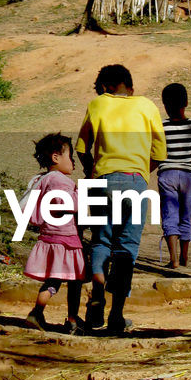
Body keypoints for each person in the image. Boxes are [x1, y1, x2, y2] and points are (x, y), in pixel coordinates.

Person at [76, 64, 167, 334]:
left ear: (104, 87)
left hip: (103, 179)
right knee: (126, 248)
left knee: (102, 241)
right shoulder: (147, 106)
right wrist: (139, 175)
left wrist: (92, 170)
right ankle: (116, 315)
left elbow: (82, 148)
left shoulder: (97, 104)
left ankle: (96, 299)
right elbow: (160, 154)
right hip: (135, 182)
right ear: (130, 86)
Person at [23, 133, 87, 334]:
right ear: (55, 158)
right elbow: (67, 204)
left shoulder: (43, 179)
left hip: (51, 237)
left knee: (53, 281)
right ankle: (72, 319)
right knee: (75, 281)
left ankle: (37, 313)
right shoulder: (60, 181)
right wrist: (81, 195)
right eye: (70, 157)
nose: (73, 163)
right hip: (66, 240)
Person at [157, 82, 191, 269]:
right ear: (186, 102)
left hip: (167, 174)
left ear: (164, 104)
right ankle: (185, 257)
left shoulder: (161, 125)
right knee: (185, 216)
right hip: (188, 175)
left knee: (169, 215)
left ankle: (173, 259)